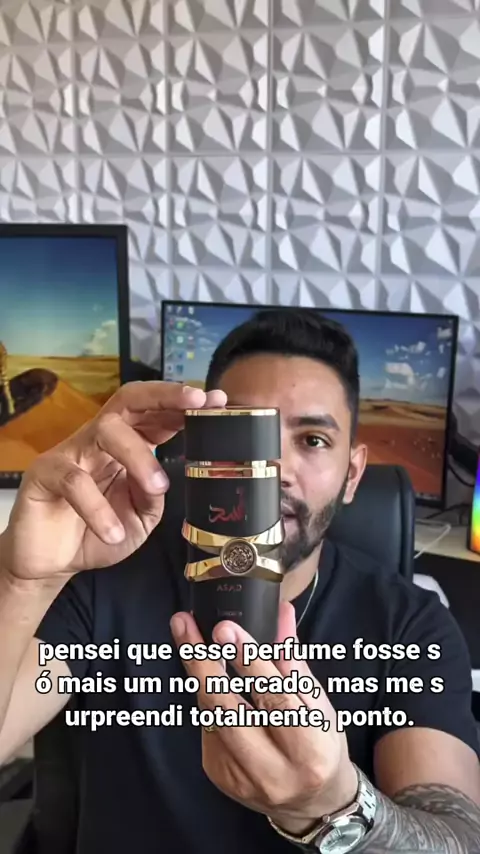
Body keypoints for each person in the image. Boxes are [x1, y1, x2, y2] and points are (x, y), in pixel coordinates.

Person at [0, 308, 479, 854]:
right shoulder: (102, 576)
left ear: (352, 474)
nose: (271, 467)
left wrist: (333, 809)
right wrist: (18, 581)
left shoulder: (410, 627)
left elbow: (460, 836)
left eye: (312, 440)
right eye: (244, 432)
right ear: (196, 454)